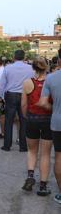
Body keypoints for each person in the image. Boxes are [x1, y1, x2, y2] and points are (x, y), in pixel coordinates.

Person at [21, 57, 53, 195]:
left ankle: (30, 176)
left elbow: (23, 104)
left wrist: (26, 117)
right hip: (48, 119)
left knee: (32, 151)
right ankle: (43, 186)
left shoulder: (27, 82)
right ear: (46, 67)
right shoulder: (51, 82)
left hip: (32, 119)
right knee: (45, 154)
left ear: (33, 68)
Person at [0, 49, 34, 152]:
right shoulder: (30, 68)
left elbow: (2, 83)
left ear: (14, 57)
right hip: (25, 95)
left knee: (9, 121)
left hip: (11, 95)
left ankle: (7, 146)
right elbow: (33, 82)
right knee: (23, 121)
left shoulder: (8, 68)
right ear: (24, 57)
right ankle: (23, 146)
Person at [38, 54, 61, 205]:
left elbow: (42, 103)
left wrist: (55, 109)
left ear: (59, 61)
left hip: (58, 122)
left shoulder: (51, 78)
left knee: (59, 157)